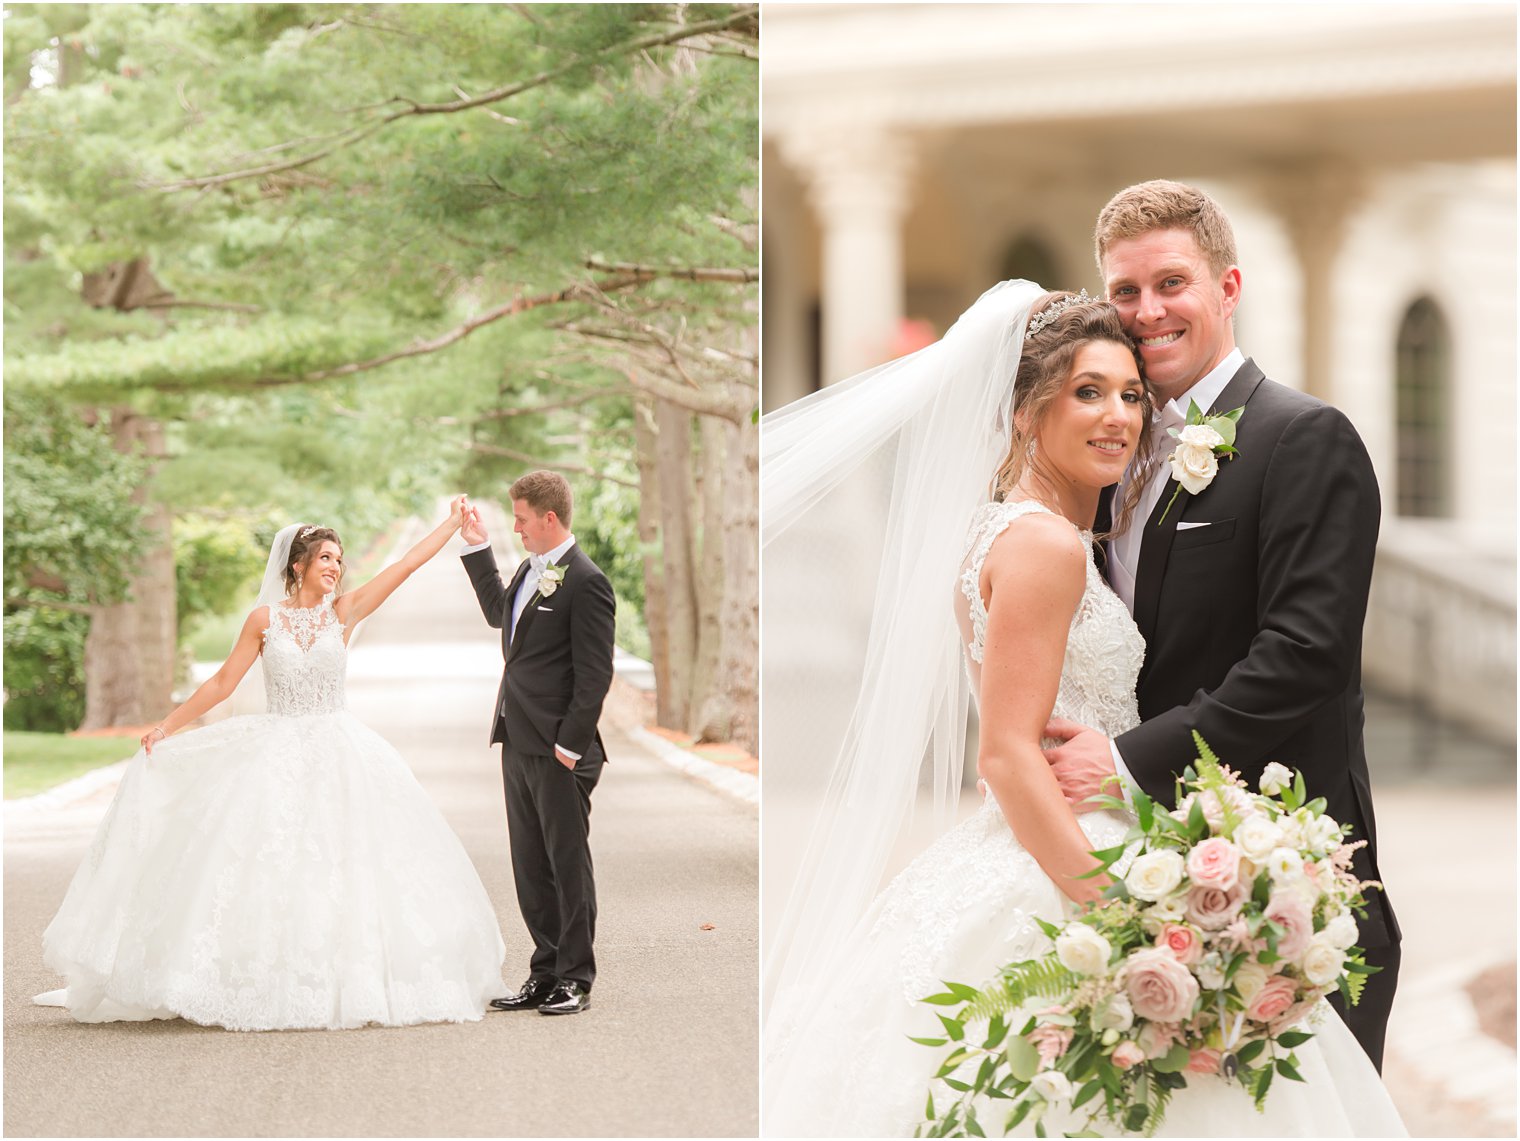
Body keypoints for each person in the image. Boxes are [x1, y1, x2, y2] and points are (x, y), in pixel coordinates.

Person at [760, 283, 1405, 1136]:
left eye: (1132, 395)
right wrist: (1121, 913)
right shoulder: (1045, 544)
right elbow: (1005, 754)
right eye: (1088, 392)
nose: (1120, 417)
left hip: (1051, 839)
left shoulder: (1022, 528)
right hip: (1069, 859)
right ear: (1026, 411)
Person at [1042, 180, 1400, 1070]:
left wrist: (1124, 760)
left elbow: (1304, 656)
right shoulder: (1108, 453)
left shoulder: (1305, 437)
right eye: (1125, 293)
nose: (1148, 311)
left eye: (1172, 284)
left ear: (1228, 287)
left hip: (1283, 872)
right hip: (1142, 869)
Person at [34, 499, 507, 1030]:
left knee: (340, 864)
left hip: (340, 750)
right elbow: (222, 683)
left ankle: (341, 976)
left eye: (339, 559)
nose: (335, 567)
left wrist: (449, 525)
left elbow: (404, 567)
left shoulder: (342, 613)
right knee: (264, 862)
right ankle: (246, 974)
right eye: (325, 557)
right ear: (297, 565)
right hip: (276, 751)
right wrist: (167, 726)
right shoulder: (264, 620)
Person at [459, 471, 616, 1017]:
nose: (518, 530)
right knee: (530, 863)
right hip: (517, 740)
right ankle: (544, 972)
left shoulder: (587, 581)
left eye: (521, 519)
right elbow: (501, 616)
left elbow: (595, 675)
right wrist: (478, 546)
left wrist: (570, 747)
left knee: (566, 864)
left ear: (549, 518)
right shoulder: (530, 569)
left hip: (559, 750)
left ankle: (576, 977)